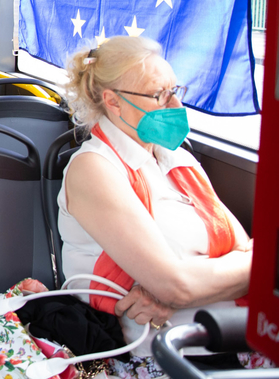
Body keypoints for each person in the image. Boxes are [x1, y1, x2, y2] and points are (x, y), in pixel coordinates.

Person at [59, 36, 257, 365]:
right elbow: (178, 285)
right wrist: (180, 288)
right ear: (114, 101)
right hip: (157, 357)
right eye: (159, 94)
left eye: (175, 91)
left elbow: (248, 254)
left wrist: (178, 293)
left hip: (223, 336)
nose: (176, 105)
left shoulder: (179, 159)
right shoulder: (93, 169)